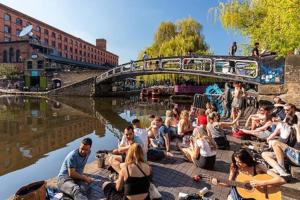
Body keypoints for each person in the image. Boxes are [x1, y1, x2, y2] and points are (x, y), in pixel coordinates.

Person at [211, 149, 286, 200]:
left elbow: (281, 180)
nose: (237, 164)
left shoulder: (258, 167)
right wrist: (218, 183)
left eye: (239, 162)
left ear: (246, 160)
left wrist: (261, 183)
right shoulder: (234, 166)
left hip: (254, 196)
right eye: (235, 161)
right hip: (238, 194)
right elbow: (229, 183)